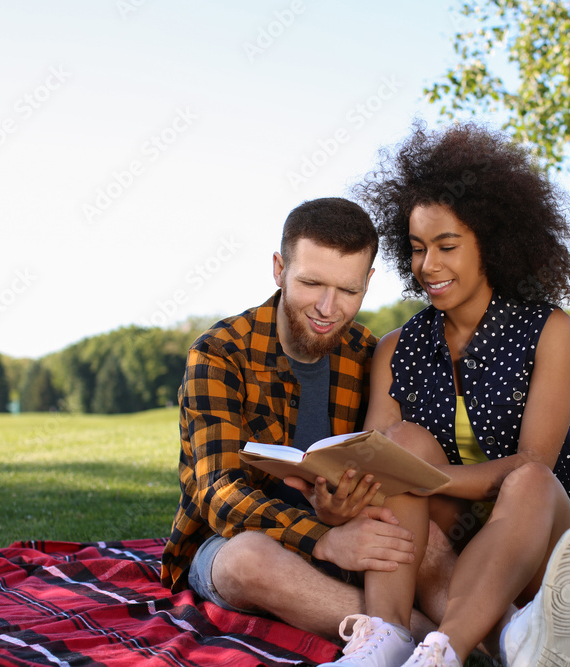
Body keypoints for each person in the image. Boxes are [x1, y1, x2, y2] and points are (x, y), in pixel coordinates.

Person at [320, 123, 570, 666]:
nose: (427, 266)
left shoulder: (548, 330)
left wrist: (425, 480)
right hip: (445, 540)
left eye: (446, 246)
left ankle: (445, 650)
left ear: (493, 243)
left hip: (533, 534)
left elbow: (534, 462)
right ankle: (386, 639)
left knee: (528, 477)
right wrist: (341, 496)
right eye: (416, 249)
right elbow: (379, 460)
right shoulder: (397, 347)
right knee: (399, 444)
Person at [160, 197, 450, 646]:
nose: (327, 308)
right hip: (238, 541)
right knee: (249, 561)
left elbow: (390, 465)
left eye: (349, 291)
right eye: (312, 283)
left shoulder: (368, 353)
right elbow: (218, 494)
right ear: (279, 269)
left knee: (417, 537)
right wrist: (323, 540)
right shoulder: (218, 353)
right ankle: (440, 640)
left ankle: (512, 632)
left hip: (345, 532)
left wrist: (347, 513)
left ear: (368, 282)